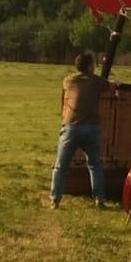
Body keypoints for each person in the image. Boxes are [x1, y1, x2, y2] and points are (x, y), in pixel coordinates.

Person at [48, 51, 109, 209]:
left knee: (60, 166)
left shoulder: (69, 80)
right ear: (90, 66)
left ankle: (55, 200)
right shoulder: (97, 82)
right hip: (91, 128)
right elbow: (110, 85)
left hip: (71, 127)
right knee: (95, 165)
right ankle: (99, 199)